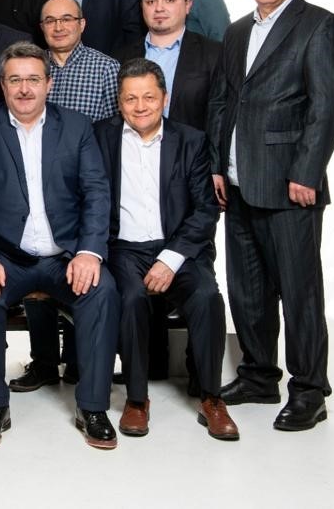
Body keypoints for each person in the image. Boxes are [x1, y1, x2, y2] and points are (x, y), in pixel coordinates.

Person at [208, 0, 334, 431]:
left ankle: (309, 390)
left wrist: (307, 172)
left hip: (290, 187)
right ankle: (258, 376)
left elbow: (327, 105)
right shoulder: (236, 32)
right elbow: (223, 101)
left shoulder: (320, 25)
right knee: (247, 291)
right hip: (238, 185)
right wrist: (217, 165)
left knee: (298, 291)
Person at [0, 42, 121, 451]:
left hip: (64, 256)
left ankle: (93, 407)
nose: (25, 89)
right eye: (15, 80)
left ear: (49, 83)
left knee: (102, 291)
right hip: (7, 257)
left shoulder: (77, 127)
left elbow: (96, 192)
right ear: (2, 85)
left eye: (33, 79)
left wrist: (88, 252)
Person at [94, 58, 238, 440]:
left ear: (165, 98)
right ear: (119, 102)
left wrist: (170, 259)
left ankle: (211, 397)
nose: (140, 106)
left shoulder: (191, 140)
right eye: (130, 98)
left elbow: (205, 210)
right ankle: (136, 399)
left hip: (178, 248)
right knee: (131, 299)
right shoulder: (100, 138)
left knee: (207, 297)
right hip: (124, 248)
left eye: (149, 97)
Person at [10, 0, 120, 393]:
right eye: (50, 20)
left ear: (81, 24)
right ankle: (43, 362)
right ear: (42, 27)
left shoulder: (106, 68)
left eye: (67, 19)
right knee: (35, 257)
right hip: (36, 187)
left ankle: (77, 362)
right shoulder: (29, 67)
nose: (59, 27)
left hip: (85, 184)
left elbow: (114, 130)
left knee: (80, 272)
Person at [114, 0, 220, 131]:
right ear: (142, 7)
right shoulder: (119, 58)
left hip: (194, 147)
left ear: (187, 5)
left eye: (169, 0)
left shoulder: (214, 55)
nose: (159, 8)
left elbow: (219, 120)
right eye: (151, 1)